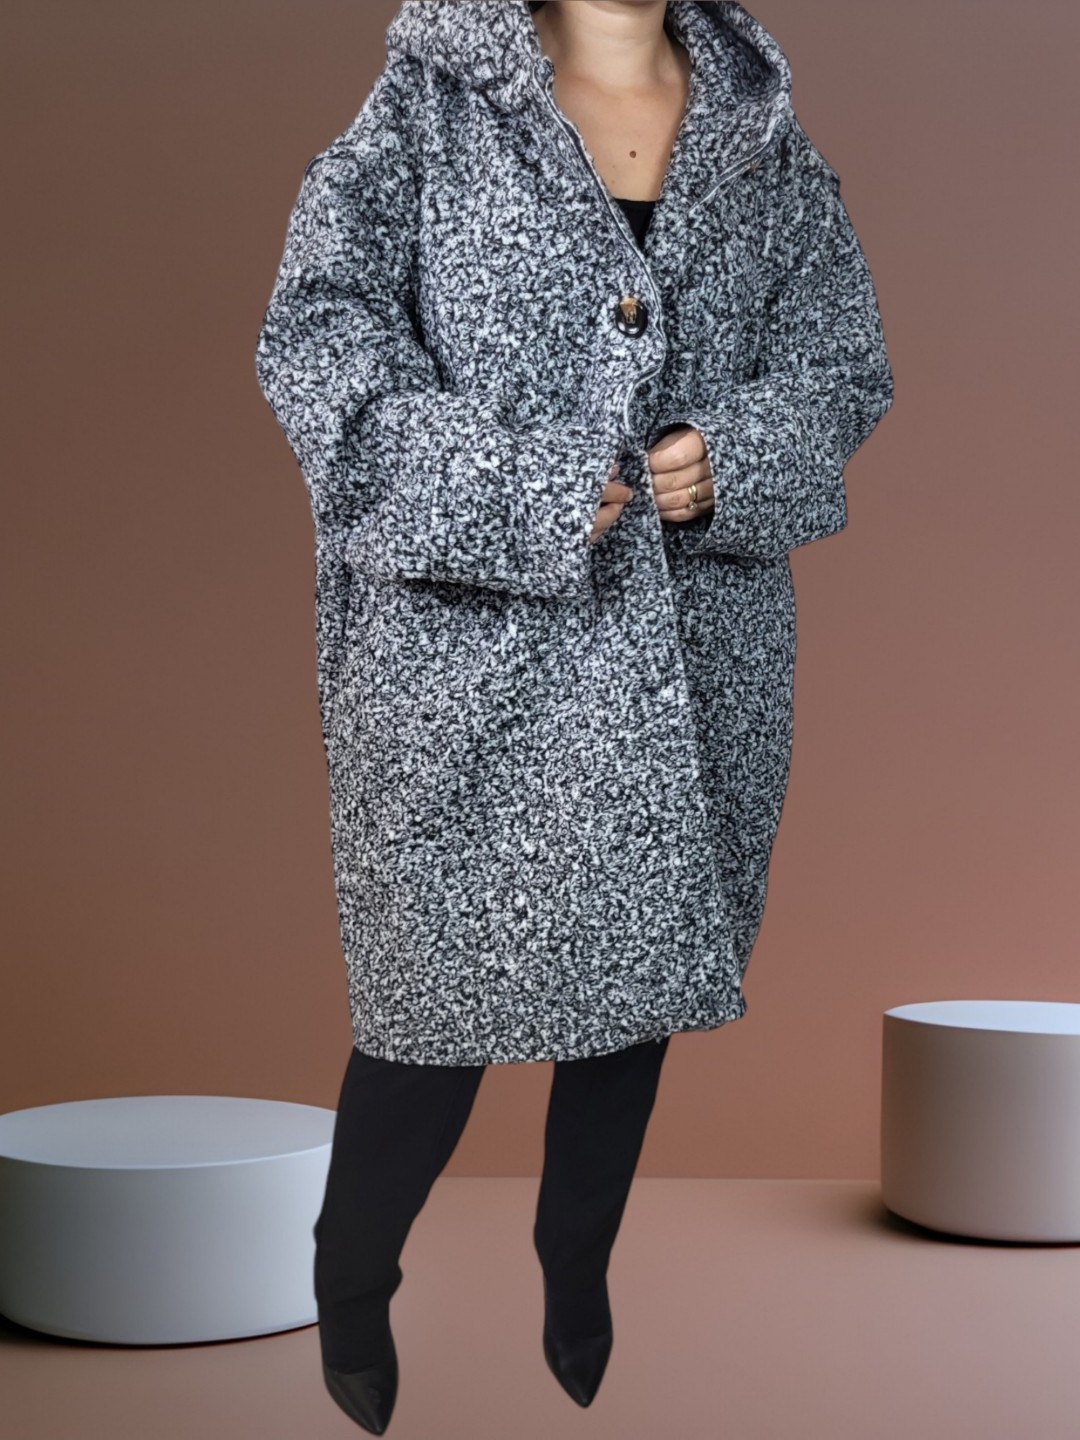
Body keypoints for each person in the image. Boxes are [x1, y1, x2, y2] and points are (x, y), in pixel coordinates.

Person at [254, 1, 894, 1431]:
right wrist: (519, 484)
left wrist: (734, 455)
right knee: (432, 1002)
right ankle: (352, 1274)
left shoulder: (760, 130)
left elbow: (842, 361)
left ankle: (574, 1257)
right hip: (469, 654)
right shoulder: (429, 103)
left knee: (635, 986)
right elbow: (320, 341)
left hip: (690, 646)